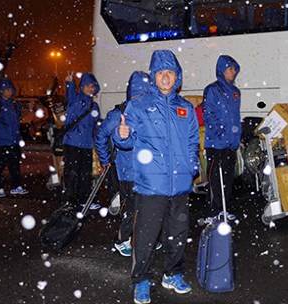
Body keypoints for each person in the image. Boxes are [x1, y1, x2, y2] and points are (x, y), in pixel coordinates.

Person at [113, 50, 199, 304]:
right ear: (154, 76)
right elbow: (124, 141)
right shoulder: (138, 106)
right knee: (146, 239)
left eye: (170, 73)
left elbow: (193, 140)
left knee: (177, 235)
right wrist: (122, 134)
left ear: (177, 77)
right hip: (151, 186)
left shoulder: (185, 108)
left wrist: (191, 166)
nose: (165, 78)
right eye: (161, 73)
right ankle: (141, 281)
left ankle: (172, 274)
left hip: (180, 185)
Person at [94, 71, 150, 257]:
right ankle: (122, 239)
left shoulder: (148, 113)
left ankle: (142, 237)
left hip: (147, 170)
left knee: (147, 206)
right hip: (127, 171)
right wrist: (105, 159)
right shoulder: (119, 114)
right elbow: (101, 135)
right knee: (131, 208)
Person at [202, 55, 241, 218]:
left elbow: (235, 116)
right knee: (215, 180)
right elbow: (208, 114)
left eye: (234, 69)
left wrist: (236, 136)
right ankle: (213, 211)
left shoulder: (235, 92)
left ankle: (223, 210)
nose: (233, 72)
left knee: (227, 179)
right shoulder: (212, 90)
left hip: (230, 144)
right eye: (229, 68)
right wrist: (220, 133)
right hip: (216, 144)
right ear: (222, 70)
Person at [61, 72, 100, 210]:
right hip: (72, 143)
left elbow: (96, 127)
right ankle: (68, 201)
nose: (91, 89)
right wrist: (70, 83)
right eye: (88, 86)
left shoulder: (94, 106)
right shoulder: (76, 100)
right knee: (71, 173)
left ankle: (84, 200)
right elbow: (69, 94)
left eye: (93, 86)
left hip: (87, 144)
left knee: (85, 175)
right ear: (82, 87)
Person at [0, 77, 28, 198]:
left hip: (13, 141)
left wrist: (18, 138)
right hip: (1, 142)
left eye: (11, 89)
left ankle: (16, 186)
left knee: (15, 166)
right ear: (1, 91)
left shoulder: (14, 105)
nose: (9, 92)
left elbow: (17, 122)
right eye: (7, 90)